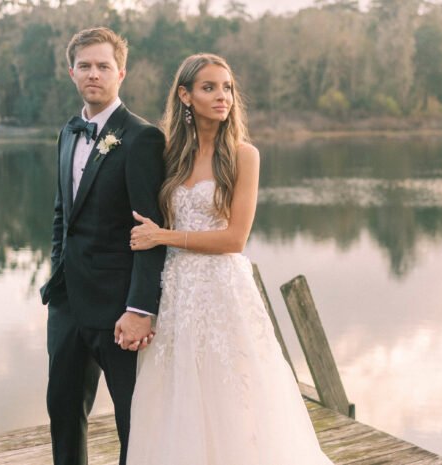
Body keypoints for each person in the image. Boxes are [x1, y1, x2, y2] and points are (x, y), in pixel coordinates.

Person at [126, 53, 333, 464]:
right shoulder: (168, 154)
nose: (223, 96)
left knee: (234, 393)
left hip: (223, 289)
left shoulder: (243, 155)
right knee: (175, 391)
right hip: (176, 291)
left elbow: (235, 238)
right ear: (185, 96)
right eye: (209, 88)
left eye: (227, 88)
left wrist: (162, 236)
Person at [39, 27, 165, 465]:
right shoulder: (67, 133)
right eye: (86, 66)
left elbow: (152, 231)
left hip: (119, 309)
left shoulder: (141, 138)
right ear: (71, 71)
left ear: (121, 72)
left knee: (134, 418)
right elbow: (62, 215)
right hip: (68, 303)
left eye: (104, 66)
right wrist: (57, 276)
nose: (94, 73)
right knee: (63, 411)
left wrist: (139, 309)